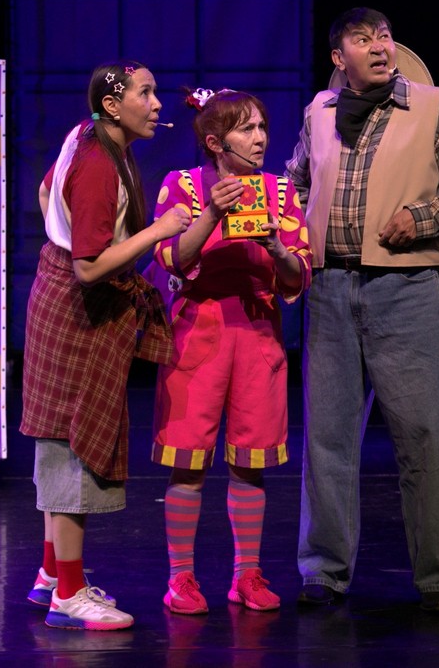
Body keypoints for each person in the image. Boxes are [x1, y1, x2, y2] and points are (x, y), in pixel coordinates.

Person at [286, 7, 439, 612]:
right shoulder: (319, 113)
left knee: (424, 436)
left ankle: (437, 579)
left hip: (407, 289)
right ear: (339, 57)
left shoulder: (435, 106)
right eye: (363, 38)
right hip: (330, 288)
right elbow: (296, 184)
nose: (380, 46)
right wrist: (285, 233)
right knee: (327, 438)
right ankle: (323, 571)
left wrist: (422, 218)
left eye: (384, 36)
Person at [21, 60, 191, 631]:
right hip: (78, 312)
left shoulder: (87, 135)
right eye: (147, 92)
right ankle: (69, 595)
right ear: (113, 106)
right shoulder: (99, 164)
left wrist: (61, 229)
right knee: (73, 448)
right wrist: (158, 231)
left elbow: (45, 188)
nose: (158, 103)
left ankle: (51, 575)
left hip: (61, 302)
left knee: (60, 442)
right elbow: (89, 267)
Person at [151, 87, 312, 615]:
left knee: (249, 464)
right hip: (196, 335)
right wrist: (211, 215)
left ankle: (247, 574)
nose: (260, 137)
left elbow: (299, 274)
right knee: (188, 465)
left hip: (258, 336)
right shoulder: (182, 185)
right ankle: (180, 578)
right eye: (247, 129)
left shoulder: (280, 192)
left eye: (262, 126)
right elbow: (170, 258)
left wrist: (277, 249)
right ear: (216, 142)